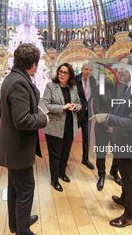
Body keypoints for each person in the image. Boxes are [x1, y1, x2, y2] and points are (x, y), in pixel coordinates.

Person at [0, 44, 48, 235]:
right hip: (17, 148)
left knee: (15, 188)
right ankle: (23, 230)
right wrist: (44, 118)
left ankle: (16, 223)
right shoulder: (19, 82)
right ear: (33, 64)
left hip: (14, 147)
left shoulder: (14, 77)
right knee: (25, 189)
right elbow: (22, 120)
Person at [91, 61, 132, 228]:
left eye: (124, 69)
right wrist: (113, 123)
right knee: (125, 173)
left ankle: (130, 216)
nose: (120, 72)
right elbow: (124, 111)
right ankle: (125, 199)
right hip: (124, 141)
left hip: (131, 144)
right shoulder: (130, 86)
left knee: (131, 180)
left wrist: (108, 118)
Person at [43, 63, 81, 192]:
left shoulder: (73, 88)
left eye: (65, 73)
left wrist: (75, 107)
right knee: (55, 155)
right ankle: (54, 180)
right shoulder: (50, 86)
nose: (62, 75)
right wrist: (62, 107)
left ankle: (62, 173)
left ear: (70, 75)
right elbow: (46, 105)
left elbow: (79, 103)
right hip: (54, 127)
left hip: (70, 126)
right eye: (60, 72)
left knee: (65, 153)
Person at [92, 75, 121, 191]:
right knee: (101, 152)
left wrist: (114, 124)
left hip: (117, 126)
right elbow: (96, 108)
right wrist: (107, 124)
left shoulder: (122, 89)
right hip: (101, 126)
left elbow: (121, 109)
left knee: (118, 152)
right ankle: (101, 175)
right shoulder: (99, 88)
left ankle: (114, 172)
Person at [76, 61, 96, 170]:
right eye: (86, 69)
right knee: (69, 137)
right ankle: (63, 159)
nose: (87, 72)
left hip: (88, 113)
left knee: (87, 138)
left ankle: (85, 159)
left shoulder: (93, 81)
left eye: (90, 70)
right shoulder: (75, 80)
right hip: (76, 113)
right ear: (82, 69)